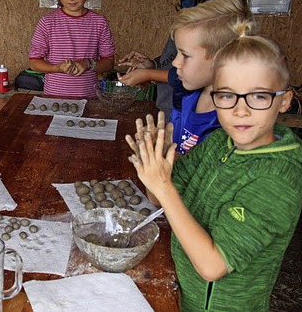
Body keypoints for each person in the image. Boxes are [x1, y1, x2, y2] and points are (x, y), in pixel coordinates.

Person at [127, 26, 301, 311]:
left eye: (258, 96)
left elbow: (212, 266)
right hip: (184, 295)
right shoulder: (219, 142)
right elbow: (160, 199)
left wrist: (163, 186)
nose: (240, 110)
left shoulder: (278, 179)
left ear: (284, 101)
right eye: (227, 95)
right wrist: (154, 162)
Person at [118, 0, 250, 119]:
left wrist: (149, 75)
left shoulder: (217, 12)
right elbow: (184, 57)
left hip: (196, 114)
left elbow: (198, 73)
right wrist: (153, 64)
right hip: (176, 106)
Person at [168, 0, 252, 154]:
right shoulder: (188, 92)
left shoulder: (232, 124)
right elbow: (174, 129)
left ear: (221, 60)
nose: (175, 62)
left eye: (185, 55)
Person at [28, 0, 115, 98]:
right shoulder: (47, 22)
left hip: (89, 99)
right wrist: (56, 68)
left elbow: (109, 63)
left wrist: (88, 64)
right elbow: (33, 61)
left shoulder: (99, 22)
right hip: (54, 98)